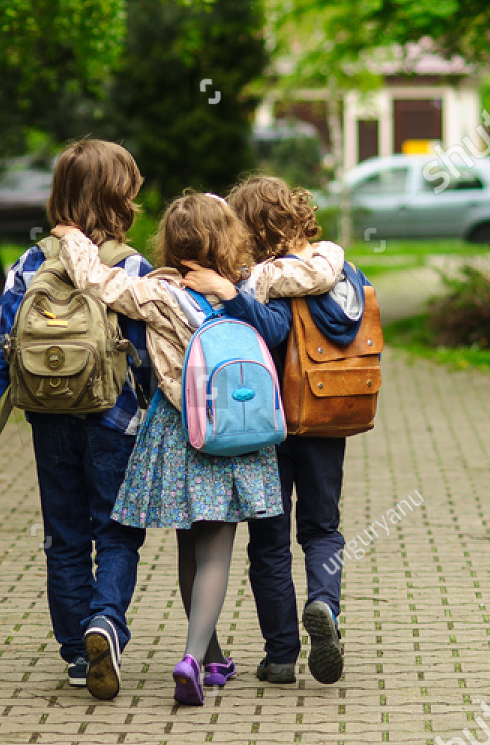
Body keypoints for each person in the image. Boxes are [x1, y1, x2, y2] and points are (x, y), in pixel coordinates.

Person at [52, 192, 344, 705]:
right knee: (215, 553)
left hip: (178, 431)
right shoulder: (254, 281)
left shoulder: (157, 293)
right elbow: (318, 272)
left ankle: (211, 659)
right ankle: (192, 657)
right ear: (230, 237)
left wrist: (73, 237)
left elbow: (95, 281)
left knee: (190, 546)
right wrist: (329, 249)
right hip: (236, 433)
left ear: (171, 241)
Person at [0, 139, 153, 701]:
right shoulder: (127, 266)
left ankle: (76, 653)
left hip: (48, 416)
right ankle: (105, 624)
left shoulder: (31, 262)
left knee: (63, 536)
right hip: (114, 422)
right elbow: (145, 351)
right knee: (116, 534)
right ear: (120, 197)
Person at [227, 175, 372, 685]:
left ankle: (281, 655)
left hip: (268, 422)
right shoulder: (342, 271)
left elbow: (262, 333)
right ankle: (323, 604)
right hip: (328, 414)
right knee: (321, 529)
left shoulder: (262, 280)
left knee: (269, 540)